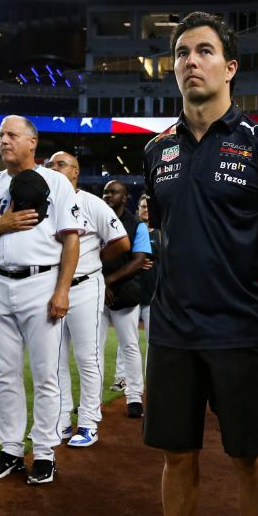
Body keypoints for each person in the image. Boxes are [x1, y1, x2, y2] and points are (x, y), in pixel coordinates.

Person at [112, 11, 258, 516]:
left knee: (250, 458)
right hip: (172, 328)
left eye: (204, 51)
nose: (190, 61)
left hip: (239, 326)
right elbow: (166, 232)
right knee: (176, 455)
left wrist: (240, 291)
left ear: (230, 66)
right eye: (182, 53)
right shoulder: (156, 150)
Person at [0, 115, 82, 486]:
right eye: (1, 135)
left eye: (12, 135)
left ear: (33, 142)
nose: (4, 140)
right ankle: (11, 449)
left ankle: (44, 452)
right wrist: (2, 224)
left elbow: (71, 239)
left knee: (46, 374)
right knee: (5, 373)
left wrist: (63, 289)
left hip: (41, 282)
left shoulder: (56, 182)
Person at [45, 150, 130, 448]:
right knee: (54, 359)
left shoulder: (92, 203)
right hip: (50, 287)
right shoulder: (43, 203)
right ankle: (61, 421)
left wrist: (94, 258)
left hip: (84, 285)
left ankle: (88, 423)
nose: (54, 168)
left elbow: (122, 242)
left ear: (75, 171)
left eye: (61, 164)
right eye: (50, 164)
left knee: (87, 357)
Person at [100, 179, 152, 417]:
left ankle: (134, 398)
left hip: (123, 292)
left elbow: (139, 261)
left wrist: (108, 281)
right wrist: (100, 283)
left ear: (125, 197)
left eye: (113, 192)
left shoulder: (137, 225)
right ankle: (92, 400)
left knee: (130, 345)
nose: (108, 195)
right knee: (93, 349)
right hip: (96, 292)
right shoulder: (95, 220)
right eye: (105, 192)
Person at [137, 194, 160, 342]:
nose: (146, 210)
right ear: (138, 209)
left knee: (152, 340)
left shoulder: (161, 232)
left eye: (149, 207)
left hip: (153, 294)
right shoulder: (131, 230)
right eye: (143, 207)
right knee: (127, 342)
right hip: (132, 293)